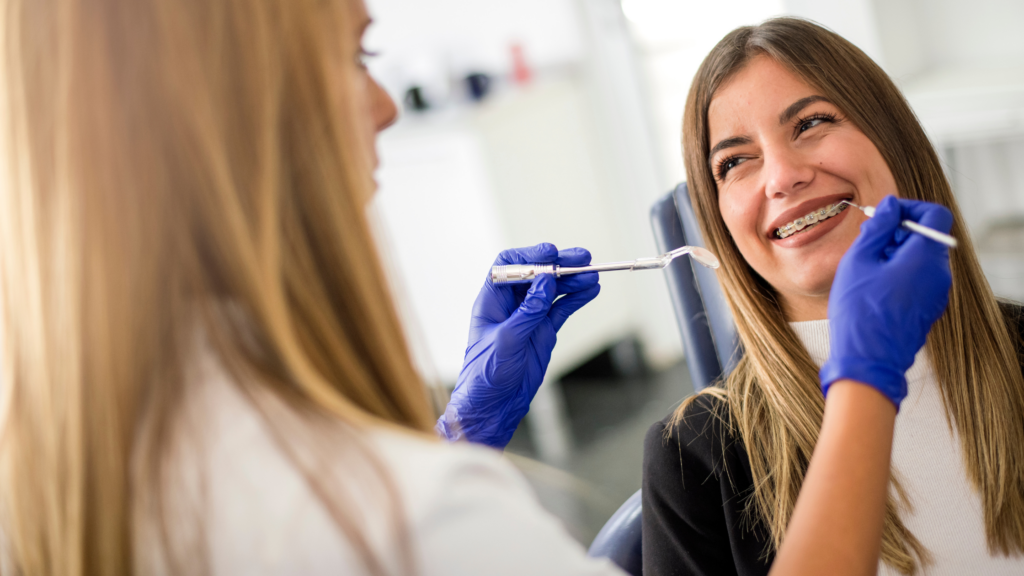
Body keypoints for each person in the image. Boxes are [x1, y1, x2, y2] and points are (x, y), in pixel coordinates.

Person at [0, 1, 959, 575]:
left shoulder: (57, 477)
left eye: (814, 123)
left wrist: (457, 438)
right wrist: (867, 379)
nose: (384, 106)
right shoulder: (674, 462)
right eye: (353, 56)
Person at [642, 17, 1024, 576]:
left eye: (812, 122)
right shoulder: (693, 456)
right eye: (734, 161)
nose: (782, 176)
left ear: (894, 138)